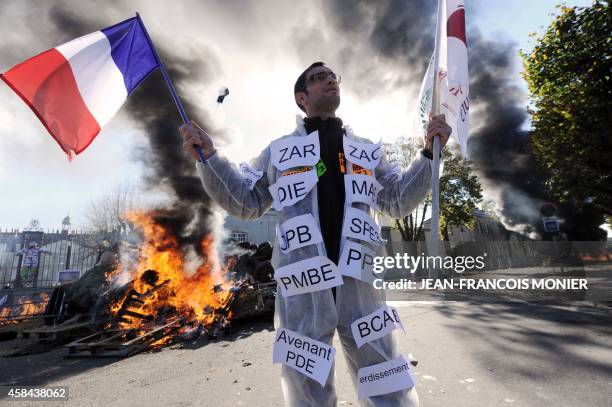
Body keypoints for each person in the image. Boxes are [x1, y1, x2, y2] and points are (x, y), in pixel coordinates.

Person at [181, 62, 450, 406]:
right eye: (318, 78)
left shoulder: (366, 150)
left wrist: (429, 153)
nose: (330, 80)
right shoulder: (277, 151)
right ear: (301, 97)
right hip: (303, 286)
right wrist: (210, 159)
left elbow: (397, 200)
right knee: (307, 385)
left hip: (360, 283)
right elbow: (246, 202)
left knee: (383, 375)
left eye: (333, 76)